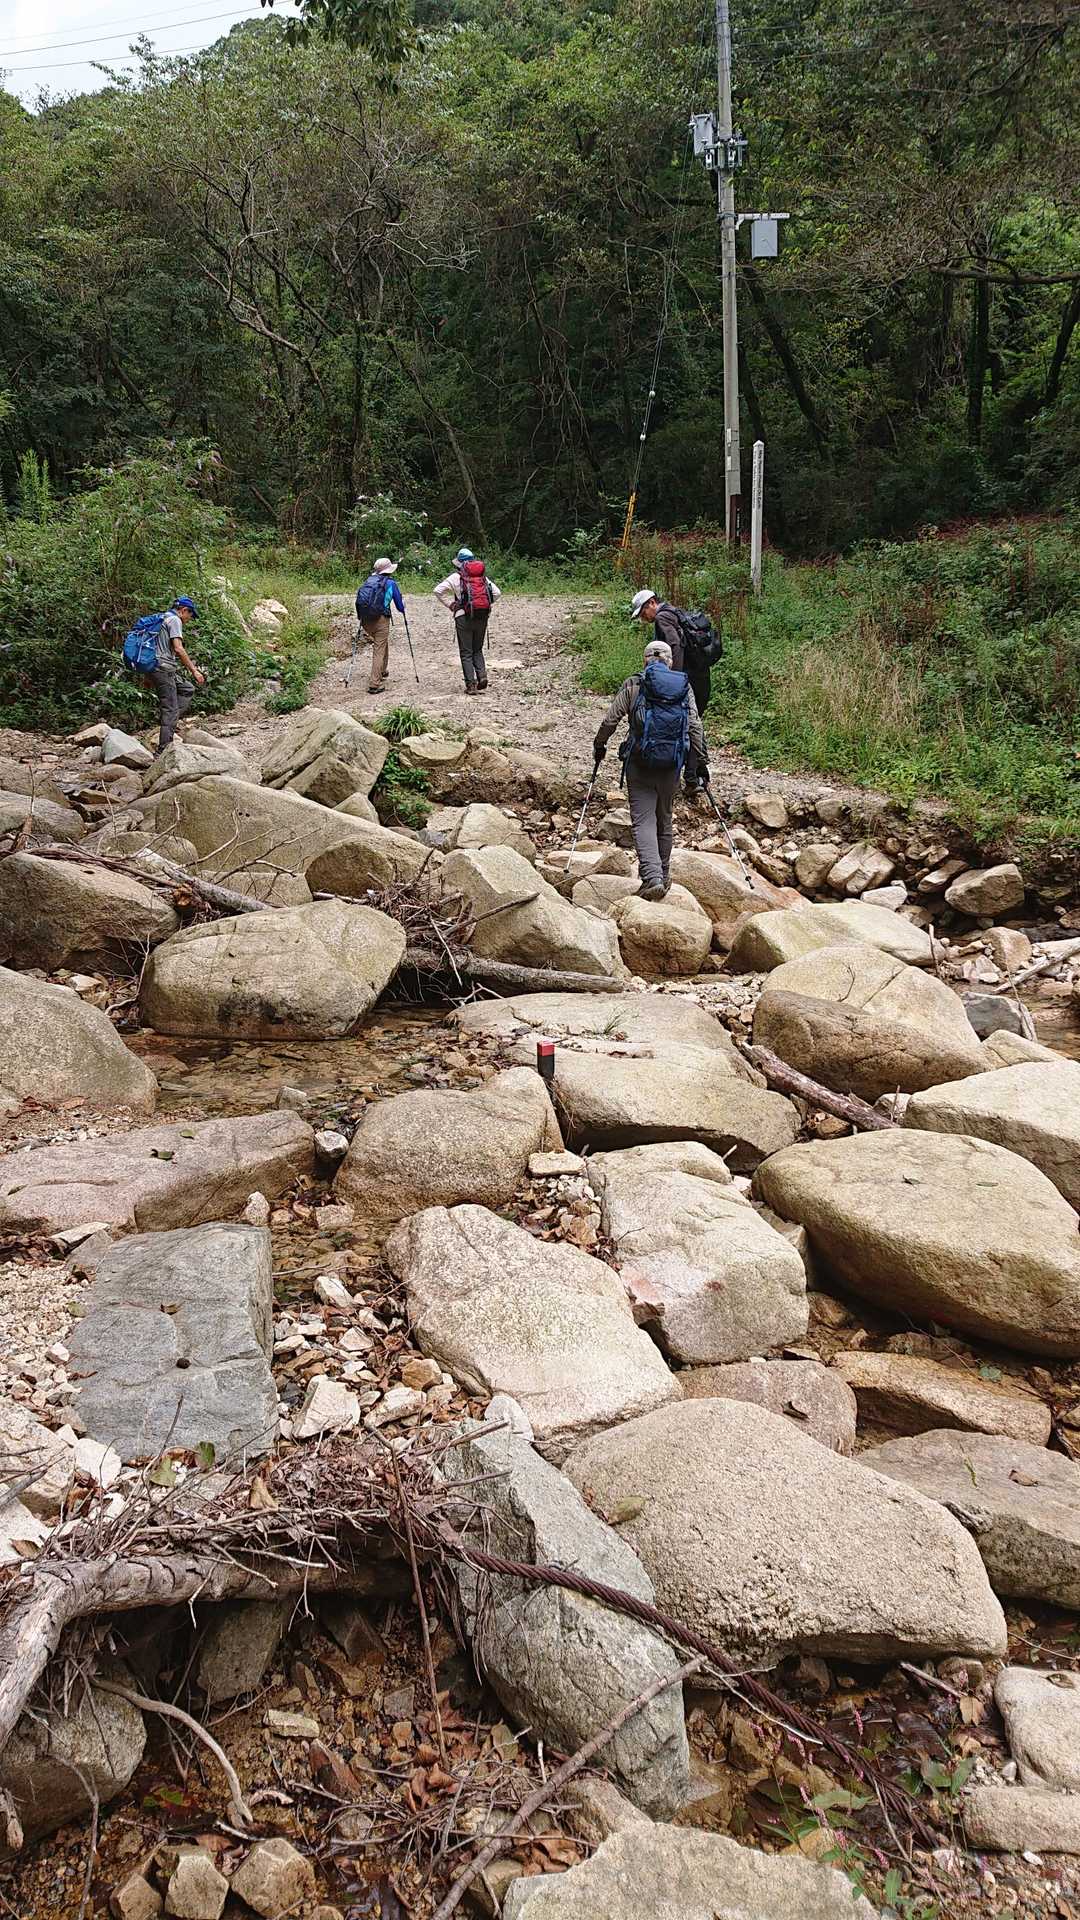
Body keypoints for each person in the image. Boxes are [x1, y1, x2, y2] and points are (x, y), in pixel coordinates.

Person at [592, 636, 707, 901]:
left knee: (643, 820)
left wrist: (599, 745)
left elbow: (611, 719)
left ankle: (652, 877)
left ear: (645, 661)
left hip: (640, 762)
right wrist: (701, 763)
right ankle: (663, 876)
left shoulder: (634, 684)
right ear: (670, 662)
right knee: (664, 818)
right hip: (672, 764)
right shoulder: (683, 686)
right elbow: (695, 726)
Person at [629, 586, 713, 791]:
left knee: (686, 724)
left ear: (652, 603)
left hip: (687, 681)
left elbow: (675, 646)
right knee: (692, 723)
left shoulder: (662, 618)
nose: (643, 618)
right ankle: (694, 777)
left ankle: (690, 776)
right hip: (700, 678)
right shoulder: (675, 612)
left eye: (642, 612)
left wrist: (670, 681)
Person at [433, 547, 501, 694]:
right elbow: (497, 593)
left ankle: (471, 685)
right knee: (477, 649)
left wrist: (451, 605)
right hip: (482, 616)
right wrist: (483, 604)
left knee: (466, 652)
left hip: (463, 617)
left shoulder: (455, 577)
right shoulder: (482, 578)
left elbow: (437, 590)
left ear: (459, 563)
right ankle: (482, 676)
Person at [150, 596, 204, 755]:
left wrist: (147, 675)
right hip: (164, 669)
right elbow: (179, 648)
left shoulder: (162, 618)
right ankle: (164, 750)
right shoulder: (174, 620)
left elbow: (153, 647)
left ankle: (169, 722)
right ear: (184, 610)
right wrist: (194, 670)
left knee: (187, 689)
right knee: (171, 710)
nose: (189, 619)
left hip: (157, 667)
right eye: (190, 615)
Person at [355, 557, 405, 695]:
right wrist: (403, 606)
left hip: (365, 620)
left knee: (382, 643)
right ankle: (374, 684)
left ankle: (382, 670)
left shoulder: (369, 581)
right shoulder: (391, 583)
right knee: (379, 649)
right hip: (381, 620)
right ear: (389, 570)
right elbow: (400, 606)